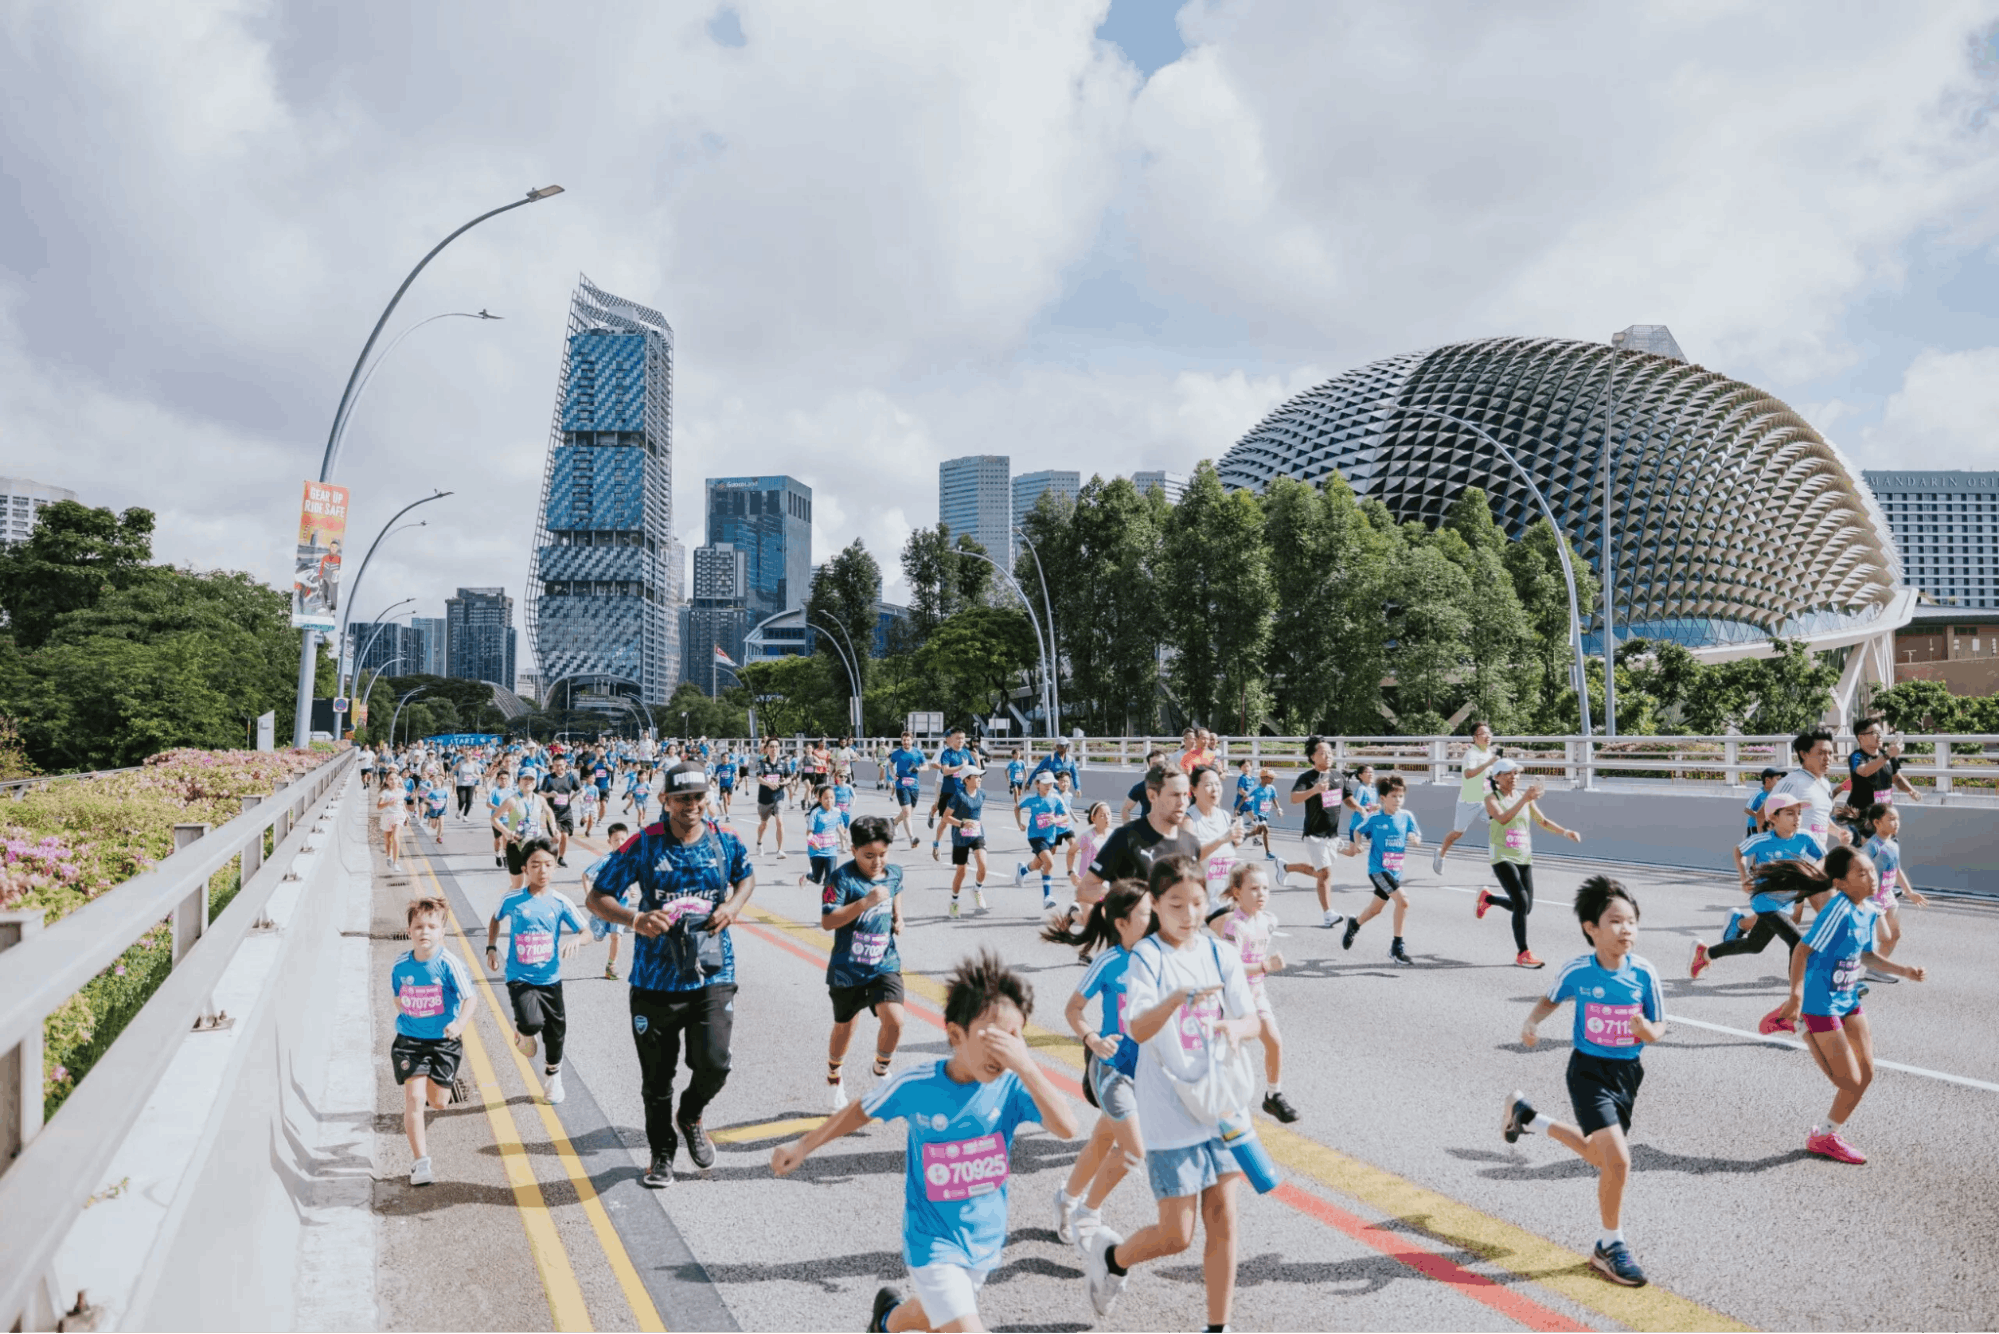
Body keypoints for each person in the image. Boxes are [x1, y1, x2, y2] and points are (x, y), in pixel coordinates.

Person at [771, 951, 1078, 1334]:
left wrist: (1028, 1066)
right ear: (955, 1035)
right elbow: (860, 1111)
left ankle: (886, 1320)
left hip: (984, 1241)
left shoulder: (1013, 1086)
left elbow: (1067, 1127)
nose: (1005, 1053)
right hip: (931, 1242)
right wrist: (803, 1146)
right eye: (992, 1040)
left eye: (1014, 1039)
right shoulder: (917, 1084)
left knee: (934, 1316)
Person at [1083, 856, 1257, 1328]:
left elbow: (1252, 1017)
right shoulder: (1148, 956)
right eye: (1175, 903)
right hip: (1168, 1110)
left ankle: (1216, 1326)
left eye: (1198, 902)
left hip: (1220, 1103)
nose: (1188, 913)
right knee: (1176, 1235)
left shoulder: (1221, 952)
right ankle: (1113, 1257)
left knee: (1224, 1217)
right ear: (1156, 905)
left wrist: (1237, 1029)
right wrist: (1176, 999)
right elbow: (1137, 1027)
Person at [588, 763, 756, 1187]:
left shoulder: (725, 840)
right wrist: (634, 918)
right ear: (665, 800)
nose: (692, 806)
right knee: (657, 1080)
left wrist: (733, 907)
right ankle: (661, 1155)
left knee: (715, 1063)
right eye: (682, 798)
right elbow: (597, 896)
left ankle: (692, 1114)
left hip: (712, 972)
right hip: (654, 979)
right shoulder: (644, 844)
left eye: (698, 797)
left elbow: (746, 877)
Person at [1503, 876, 1666, 1289]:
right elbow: (1551, 998)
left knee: (1600, 1156)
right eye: (1615, 921)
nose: (1626, 929)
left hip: (1628, 1075)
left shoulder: (1645, 972)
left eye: (1632, 921)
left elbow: (1659, 1027)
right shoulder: (1578, 969)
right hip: (1588, 1071)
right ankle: (1610, 1247)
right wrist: (1531, 1022)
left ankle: (1527, 1117)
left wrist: (1647, 1030)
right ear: (1591, 928)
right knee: (1619, 1161)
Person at [1762, 848, 1929, 1164]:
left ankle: (1825, 1135)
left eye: (1871, 870)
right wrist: (1796, 997)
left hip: (1847, 998)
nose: (1872, 877)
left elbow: (1866, 955)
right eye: (1862, 873)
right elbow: (1801, 951)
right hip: (1819, 1002)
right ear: (1840, 883)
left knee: (1865, 1076)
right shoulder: (1838, 910)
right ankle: (1798, 1024)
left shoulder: (1867, 908)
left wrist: (1904, 970)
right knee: (1847, 1081)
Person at [1044, 880, 1154, 1249]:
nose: (1153, 916)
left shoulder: (1162, 957)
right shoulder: (1109, 962)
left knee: (1104, 1138)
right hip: (1112, 1068)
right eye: (1144, 912)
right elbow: (1073, 1010)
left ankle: (1067, 1197)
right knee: (1134, 1150)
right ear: (1121, 923)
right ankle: (1088, 1212)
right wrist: (1092, 1039)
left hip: (1149, 1071)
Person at [485, 839, 587, 1105]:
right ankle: (524, 1029)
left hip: (551, 978)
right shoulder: (513, 899)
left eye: (548, 865)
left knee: (556, 1031)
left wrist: (577, 940)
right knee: (532, 1023)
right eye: (535, 865)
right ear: (525, 869)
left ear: (554, 868)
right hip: (519, 976)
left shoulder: (561, 902)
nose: (542, 870)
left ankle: (553, 1079)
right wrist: (491, 947)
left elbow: (586, 931)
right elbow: (495, 918)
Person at [1689, 794, 1824, 986]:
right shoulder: (1762, 840)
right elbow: (1738, 851)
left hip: (1786, 904)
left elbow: (1826, 858)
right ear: (1773, 818)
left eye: (1799, 813)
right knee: (1797, 941)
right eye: (1790, 813)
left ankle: (1705, 953)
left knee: (1754, 946)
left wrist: (1812, 872)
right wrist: (1744, 877)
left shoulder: (1805, 838)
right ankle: (1800, 992)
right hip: (1765, 901)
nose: (1797, 818)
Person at [820, 815, 907, 1112]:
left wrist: (899, 916)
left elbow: (895, 892)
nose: (877, 862)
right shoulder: (841, 879)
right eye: (868, 856)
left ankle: (880, 1070)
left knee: (895, 1020)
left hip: (885, 963)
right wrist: (864, 903)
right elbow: (828, 921)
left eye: (882, 854)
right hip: (848, 969)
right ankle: (834, 1078)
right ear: (853, 849)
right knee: (845, 1028)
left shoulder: (894, 873)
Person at [390, 896, 470, 1186]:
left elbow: (470, 998)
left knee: (438, 1103)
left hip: (444, 1043)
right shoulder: (400, 965)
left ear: (442, 932)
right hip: (409, 1041)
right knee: (414, 1098)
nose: (424, 931)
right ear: (409, 930)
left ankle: (444, 1086)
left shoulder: (449, 964)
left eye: (431, 926)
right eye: (418, 926)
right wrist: (412, 1018)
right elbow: (398, 996)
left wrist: (459, 1023)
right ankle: (420, 1163)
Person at [1475, 760, 1582, 969]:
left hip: (1524, 857)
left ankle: (1488, 898)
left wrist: (1565, 832)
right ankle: (1523, 953)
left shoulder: (1525, 799)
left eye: (1516, 773)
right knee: (1521, 903)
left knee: (1525, 907)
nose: (1513, 777)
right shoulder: (1491, 798)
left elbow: (1542, 821)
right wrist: (1525, 798)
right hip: (1502, 856)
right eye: (1507, 774)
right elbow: (1503, 818)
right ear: (1496, 777)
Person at [1217, 862, 1297, 1123]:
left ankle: (1273, 1095)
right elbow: (1230, 968)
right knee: (1227, 1058)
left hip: (1256, 994)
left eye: (1265, 888)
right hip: (1231, 1000)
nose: (1261, 893)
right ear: (1237, 892)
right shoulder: (1234, 926)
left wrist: (1261, 973)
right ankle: (1214, 1109)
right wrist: (1264, 966)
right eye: (1253, 888)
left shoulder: (1270, 920)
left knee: (1274, 1042)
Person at [1077, 762, 1200, 914]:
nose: (1183, 803)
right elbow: (1085, 889)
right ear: (1152, 796)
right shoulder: (1126, 837)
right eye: (1174, 795)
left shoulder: (1191, 843)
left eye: (1185, 795)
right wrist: (1130, 903)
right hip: (1136, 936)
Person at [1340, 775, 1423, 964]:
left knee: (1375, 909)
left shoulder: (1406, 817)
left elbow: (1415, 833)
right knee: (1403, 901)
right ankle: (1397, 947)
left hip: (1395, 872)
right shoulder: (1375, 818)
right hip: (1378, 870)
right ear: (1383, 798)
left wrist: (1415, 839)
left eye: (1400, 796)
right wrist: (1358, 844)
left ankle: (1354, 924)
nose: (1398, 800)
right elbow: (1358, 830)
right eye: (1393, 796)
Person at [1283, 737, 1347, 928]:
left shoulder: (1338, 776)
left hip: (1332, 836)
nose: (1328, 756)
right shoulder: (1307, 778)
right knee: (1326, 873)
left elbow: (1348, 798)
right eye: (1323, 753)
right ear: (1312, 757)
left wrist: (1362, 809)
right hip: (1314, 835)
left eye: (1330, 752)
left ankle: (1286, 867)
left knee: (1320, 872)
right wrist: (1315, 790)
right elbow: (1294, 798)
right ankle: (1328, 914)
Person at [1863, 803, 1928, 972]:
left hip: (1888, 896)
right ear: (1877, 823)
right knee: (1884, 937)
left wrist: (1909, 891)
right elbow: (1857, 867)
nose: (1896, 822)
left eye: (1897, 819)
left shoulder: (1894, 844)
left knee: (1894, 935)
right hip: (1872, 900)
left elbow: (1896, 869)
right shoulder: (1872, 847)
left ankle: (1876, 971)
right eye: (1891, 819)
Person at [1434, 722, 1500, 874]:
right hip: (1469, 801)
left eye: (1489, 733)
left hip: (1486, 800)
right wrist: (1488, 763)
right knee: (1457, 833)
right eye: (1483, 733)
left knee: (1498, 825)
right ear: (1475, 738)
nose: (1487, 736)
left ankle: (1498, 863)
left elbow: (1489, 777)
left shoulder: (1489, 753)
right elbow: (1468, 774)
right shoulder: (1471, 754)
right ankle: (1441, 853)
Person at [1771, 728, 1847, 854]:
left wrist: (1838, 832)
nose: (1827, 758)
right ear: (1803, 754)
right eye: (1821, 753)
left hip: (1816, 859)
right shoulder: (1792, 781)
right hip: (1792, 861)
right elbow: (1765, 815)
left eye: (1830, 753)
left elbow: (1819, 818)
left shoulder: (1826, 784)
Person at [1846, 717, 1921, 843]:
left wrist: (1911, 790)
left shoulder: (1886, 756)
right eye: (1875, 733)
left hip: (1883, 816)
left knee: (1888, 852)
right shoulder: (1857, 756)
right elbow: (1864, 771)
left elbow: (1897, 779)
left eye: (1881, 733)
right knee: (1867, 853)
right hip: (1862, 816)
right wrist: (1887, 756)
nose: (1880, 736)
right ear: (1861, 737)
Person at [1184, 766, 1246, 907]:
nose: (1215, 789)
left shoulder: (1224, 816)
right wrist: (1222, 839)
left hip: (1226, 898)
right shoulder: (1188, 820)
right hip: (1200, 901)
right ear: (1193, 789)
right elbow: (1191, 856)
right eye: (1208, 785)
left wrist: (1236, 840)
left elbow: (1227, 850)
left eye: (1218, 784)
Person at [492, 769, 559, 892]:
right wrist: (507, 833)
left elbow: (549, 812)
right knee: (516, 887)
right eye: (525, 778)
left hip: (534, 847)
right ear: (519, 781)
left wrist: (554, 828)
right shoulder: (512, 800)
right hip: (516, 847)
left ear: (535, 782)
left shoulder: (540, 799)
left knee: (532, 884)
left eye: (531, 779)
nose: (528, 781)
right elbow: (494, 818)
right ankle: (506, 904)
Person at [1014, 770, 1071, 911]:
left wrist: (1056, 819)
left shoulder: (1056, 798)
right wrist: (1019, 824)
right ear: (1037, 784)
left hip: (1050, 837)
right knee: (1049, 862)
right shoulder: (1031, 798)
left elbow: (1065, 816)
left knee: (1037, 864)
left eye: (1051, 783)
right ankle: (1047, 897)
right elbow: (1017, 808)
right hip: (1035, 836)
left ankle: (1022, 871)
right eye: (1045, 783)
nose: (1048, 786)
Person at [939, 766, 990, 917]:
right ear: (966, 780)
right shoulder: (958, 796)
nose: (980, 779)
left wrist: (974, 824)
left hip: (977, 834)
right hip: (960, 836)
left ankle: (977, 889)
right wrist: (962, 824)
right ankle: (954, 901)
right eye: (976, 777)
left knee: (983, 864)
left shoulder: (982, 794)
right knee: (961, 872)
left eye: (980, 777)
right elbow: (945, 817)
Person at [585, 821, 633, 980]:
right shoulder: (605, 860)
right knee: (596, 936)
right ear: (609, 842)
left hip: (621, 906)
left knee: (616, 936)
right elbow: (586, 876)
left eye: (623, 839)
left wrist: (630, 889)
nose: (620, 843)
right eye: (616, 840)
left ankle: (611, 967)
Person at [927, 728, 974, 856]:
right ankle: (936, 843)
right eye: (958, 738)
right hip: (948, 792)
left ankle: (963, 848)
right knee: (944, 822)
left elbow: (973, 769)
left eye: (962, 738)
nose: (960, 740)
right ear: (951, 739)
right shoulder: (946, 754)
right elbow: (945, 770)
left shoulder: (966, 753)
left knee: (966, 819)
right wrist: (961, 767)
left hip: (963, 793)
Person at [886, 731, 928, 849]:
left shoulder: (917, 753)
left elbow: (926, 766)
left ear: (912, 741)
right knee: (907, 813)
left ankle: (893, 822)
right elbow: (889, 765)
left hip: (914, 786)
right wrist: (894, 775)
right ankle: (912, 838)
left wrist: (918, 769)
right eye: (904, 740)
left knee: (908, 812)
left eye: (908, 740)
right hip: (901, 786)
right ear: (901, 741)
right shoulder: (897, 753)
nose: (906, 742)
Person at [801, 784, 845, 890]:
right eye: (825, 798)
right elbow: (809, 833)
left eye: (831, 798)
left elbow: (838, 825)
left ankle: (829, 902)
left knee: (830, 879)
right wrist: (813, 842)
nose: (829, 800)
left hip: (831, 850)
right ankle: (807, 877)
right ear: (820, 799)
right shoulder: (815, 813)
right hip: (817, 851)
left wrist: (843, 835)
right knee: (817, 879)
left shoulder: (837, 812)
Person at [543, 756, 582, 867]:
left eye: (561, 765)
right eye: (557, 765)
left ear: (565, 765)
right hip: (553, 813)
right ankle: (550, 855)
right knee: (557, 837)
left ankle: (560, 858)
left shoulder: (571, 777)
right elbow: (541, 793)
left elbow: (579, 789)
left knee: (565, 837)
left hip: (566, 812)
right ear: (553, 766)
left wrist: (582, 794)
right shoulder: (548, 778)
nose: (559, 767)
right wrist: (549, 795)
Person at [754, 738, 788, 859]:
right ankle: (759, 842)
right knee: (764, 824)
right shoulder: (761, 763)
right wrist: (768, 783)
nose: (774, 749)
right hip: (765, 798)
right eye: (772, 746)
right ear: (767, 748)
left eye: (776, 747)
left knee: (779, 821)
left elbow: (789, 777)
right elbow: (758, 778)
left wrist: (784, 782)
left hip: (779, 796)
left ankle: (780, 850)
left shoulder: (783, 763)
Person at [376, 769, 408, 870]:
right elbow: (379, 806)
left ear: (398, 780)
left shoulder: (402, 792)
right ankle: (389, 856)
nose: (393, 781)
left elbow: (402, 803)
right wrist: (388, 803)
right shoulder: (385, 793)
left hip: (399, 816)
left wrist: (406, 815)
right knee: (387, 841)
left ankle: (395, 863)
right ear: (386, 781)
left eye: (395, 779)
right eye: (391, 779)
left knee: (395, 838)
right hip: (387, 816)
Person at [1744, 766, 1783, 835]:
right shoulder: (1759, 793)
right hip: (1754, 827)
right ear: (1767, 780)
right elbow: (1747, 809)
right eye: (1777, 779)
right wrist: (1760, 817)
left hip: (1766, 827)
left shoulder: (1774, 794)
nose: (1779, 781)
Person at [713, 748, 738, 818]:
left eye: (726, 757)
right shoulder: (719, 767)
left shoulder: (731, 766)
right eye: (724, 757)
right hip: (722, 785)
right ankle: (727, 815)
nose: (725, 758)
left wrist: (736, 780)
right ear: (721, 759)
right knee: (725, 799)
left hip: (730, 785)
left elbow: (736, 774)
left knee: (729, 801)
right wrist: (714, 781)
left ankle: (724, 800)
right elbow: (715, 775)